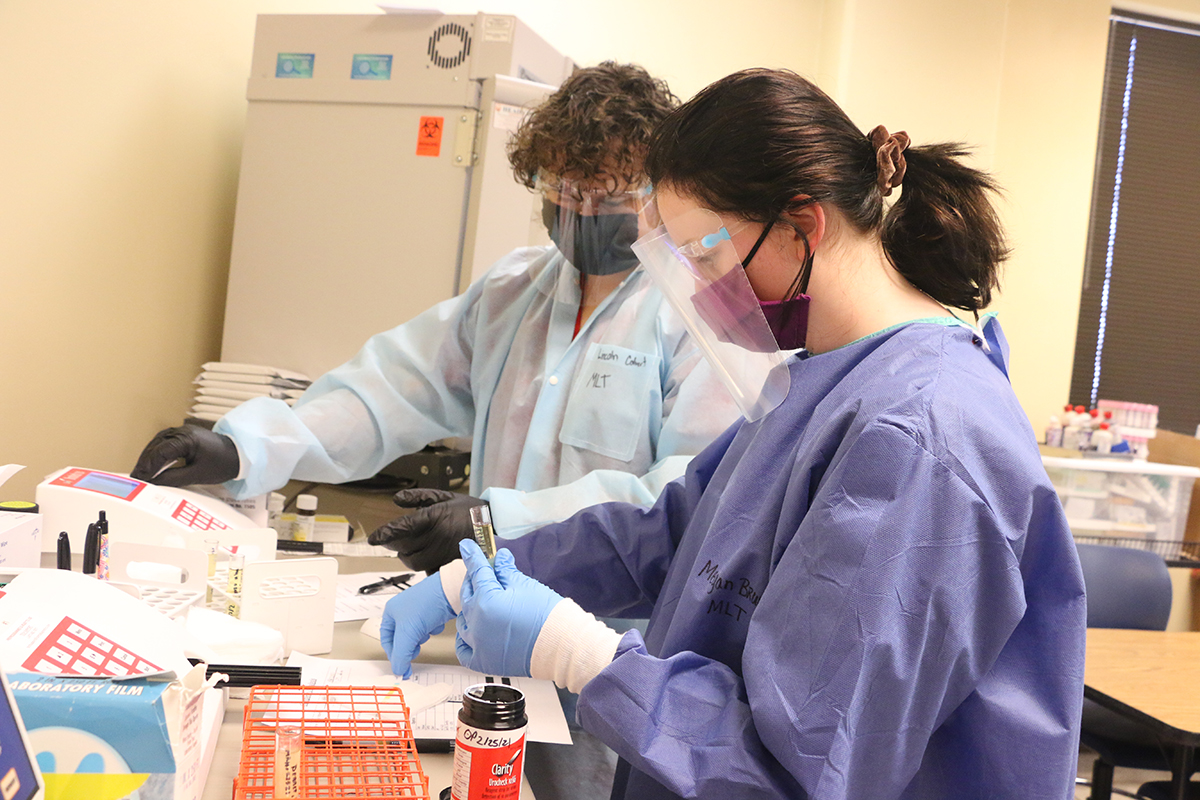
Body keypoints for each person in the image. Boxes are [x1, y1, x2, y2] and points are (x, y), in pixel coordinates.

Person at [381, 68, 1087, 799]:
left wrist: (578, 654)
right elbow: (675, 532)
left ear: (802, 226)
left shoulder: (918, 437)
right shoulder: (818, 378)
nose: (698, 289)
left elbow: (807, 771)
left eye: (705, 256)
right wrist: (486, 570)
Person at [129, 62, 740, 565]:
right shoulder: (511, 292)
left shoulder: (697, 316)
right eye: (562, 189)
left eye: (605, 196)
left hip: (615, 635)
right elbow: (388, 392)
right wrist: (245, 448)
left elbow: (686, 491)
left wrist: (502, 519)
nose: (579, 212)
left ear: (656, 194)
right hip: (492, 610)